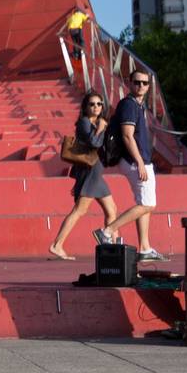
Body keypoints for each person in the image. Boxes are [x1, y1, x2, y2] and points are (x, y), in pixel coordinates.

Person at [97, 70, 167, 262]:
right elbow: (127, 135)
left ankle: (144, 248)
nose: (141, 86)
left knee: (144, 204)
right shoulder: (129, 105)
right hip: (135, 161)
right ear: (130, 83)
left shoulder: (138, 105)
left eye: (145, 83)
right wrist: (139, 163)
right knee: (147, 204)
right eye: (137, 82)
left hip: (140, 160)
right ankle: (108, 231)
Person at [48, 91, 118, 260]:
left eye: (99, 104)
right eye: (92, 104)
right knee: (80, 210)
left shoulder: (96, 122)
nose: (96, 107)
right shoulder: (84, 123)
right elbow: (94, 143)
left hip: (97, 174)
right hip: (90, 173)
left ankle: (113, 248)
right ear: (85, 107)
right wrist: (101, 128)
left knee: (112, 210)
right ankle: (57, 245)